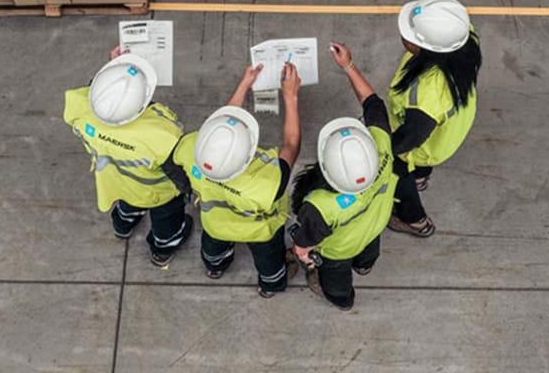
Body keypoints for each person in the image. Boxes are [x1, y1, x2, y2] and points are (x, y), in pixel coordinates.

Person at [164, 62, 303, 297]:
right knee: (269, 260)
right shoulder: (267, 183)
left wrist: (244, 84)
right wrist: (291, 97)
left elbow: (217, 135)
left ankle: (215, 267)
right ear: (248, 156)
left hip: (215, 223)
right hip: (260, 232)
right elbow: (291, 144)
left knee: (213, 247)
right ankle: (270, 285)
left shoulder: (190, 149)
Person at [289, 44, 399, 310]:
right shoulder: (383, 148)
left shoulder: (319, 206)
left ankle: (342, 298)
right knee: (368, 249)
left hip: (340, 251)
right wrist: (348, 65)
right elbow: (373, 104)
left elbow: (304, 246)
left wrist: (301, 254)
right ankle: (364, 265)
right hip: (375, 224)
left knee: (335, 277)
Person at [62, 50, 191, 268]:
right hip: (158, 194)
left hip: (116, 183)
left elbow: (99, 95)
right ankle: (162, 251)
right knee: (167, 223)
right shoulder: (160, 136)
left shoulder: (79, 108)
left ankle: (122, 227)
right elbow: (179, 173)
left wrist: (115, 70)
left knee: (126, 206)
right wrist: (188, 190)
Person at [382, 0, 481, 237]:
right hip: (448, 132)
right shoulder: (461, 36)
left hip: (423, 147)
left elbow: (409, 140)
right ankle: (420, 178)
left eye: (409, 35)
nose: (403, 36)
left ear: (424, 48)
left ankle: (415, 219)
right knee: (420, 167)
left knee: (398, 170)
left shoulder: (427, 94)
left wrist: (379, 147)